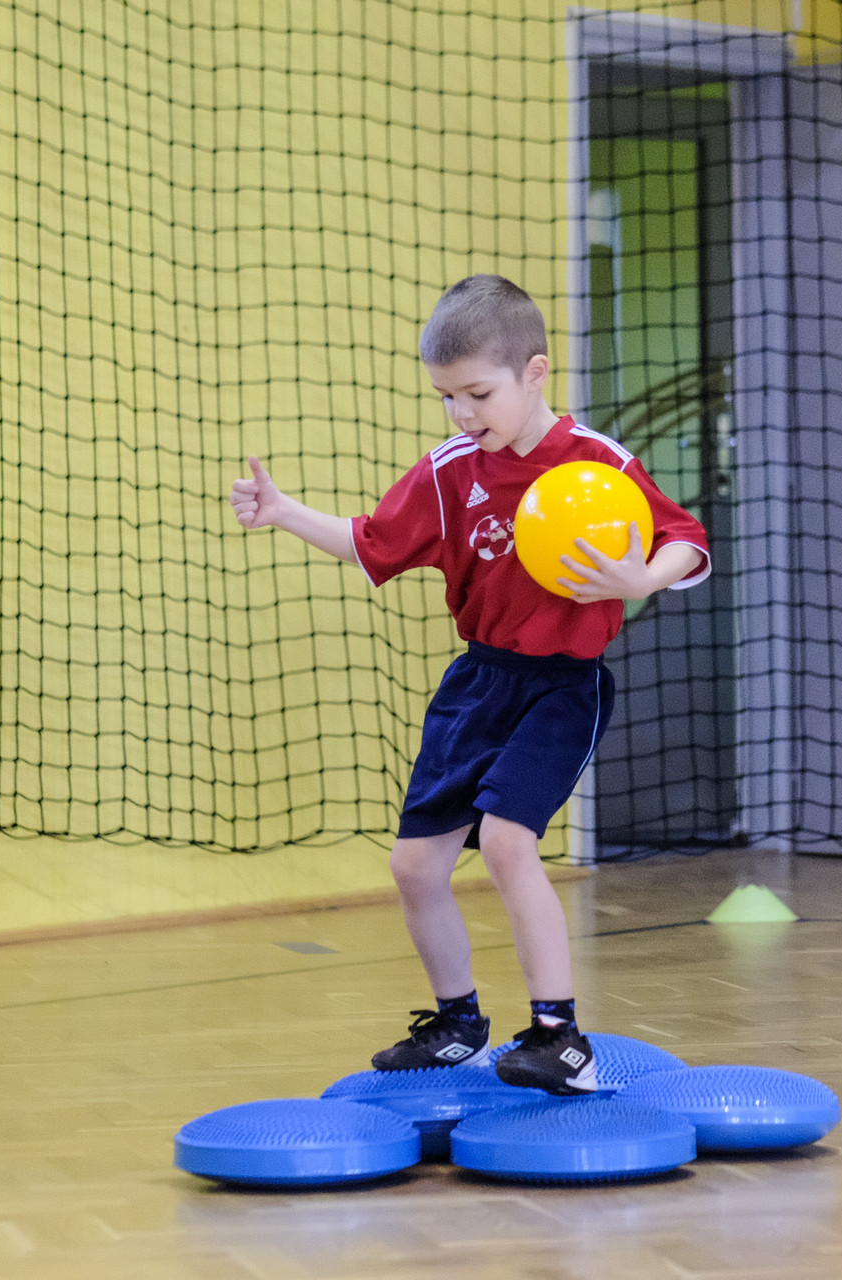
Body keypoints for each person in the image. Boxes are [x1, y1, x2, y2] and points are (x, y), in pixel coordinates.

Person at [228, 275, 709, 1092]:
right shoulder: (451, 472)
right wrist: (284, 512)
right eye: (446, 397)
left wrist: (642, 579)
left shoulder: (599, 462)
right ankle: (457, 1025)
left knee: (508, 842)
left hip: (563, 686)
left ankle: (559, 1036)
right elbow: (371, 542)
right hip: (479, 683)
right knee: (415, 867)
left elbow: (687, 540)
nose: (461, 413)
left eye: (478, 394)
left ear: (535, 371)